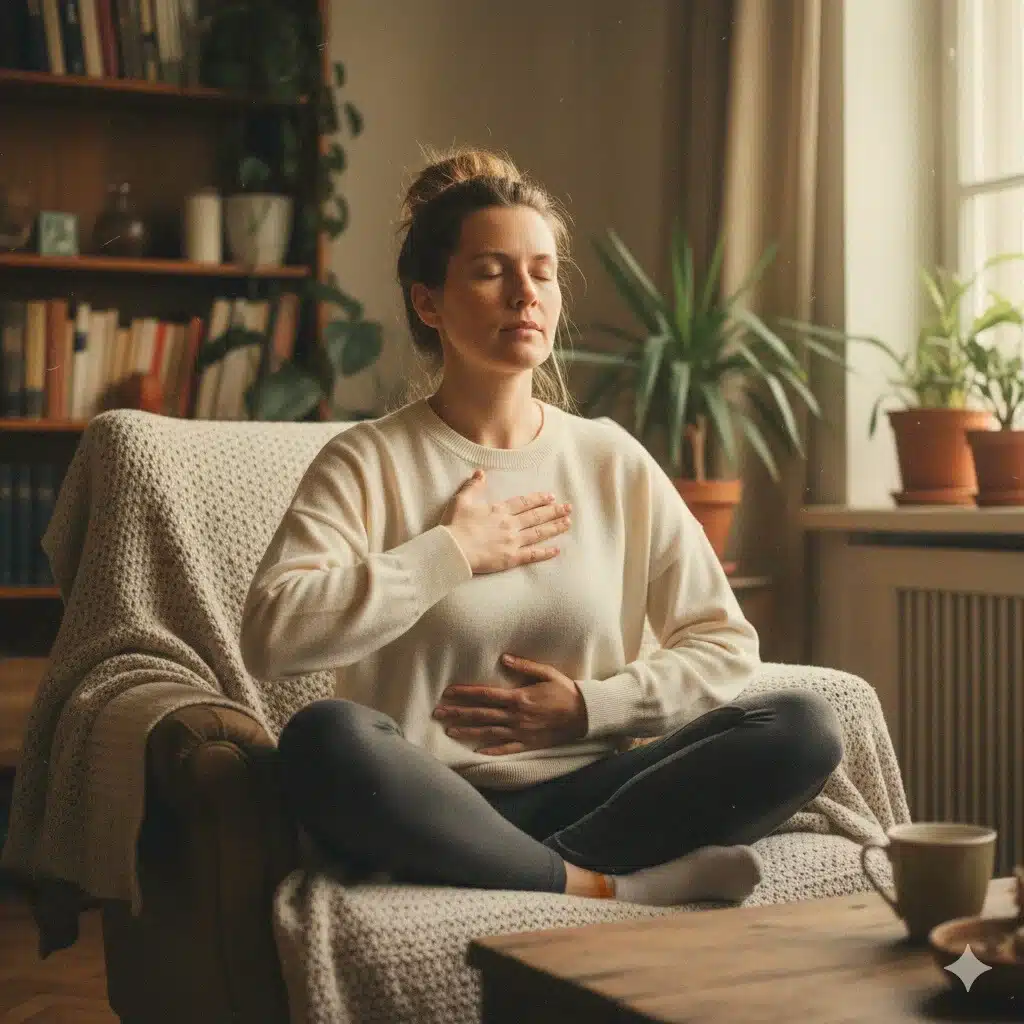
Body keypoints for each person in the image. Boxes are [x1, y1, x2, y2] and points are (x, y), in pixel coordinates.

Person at [239, 147, 844, 907]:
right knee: (326, 740)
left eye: (543, 271)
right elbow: (269, 636)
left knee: (802, 727)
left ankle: (535, 874)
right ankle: (598, 888)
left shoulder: (608, 459)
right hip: (432, 797)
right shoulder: (368, 460)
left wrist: (593, 707)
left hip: (598, 794)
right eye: (491, 271)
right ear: (429, 303)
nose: (525, 294)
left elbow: (724, 646)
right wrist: (450, 552)